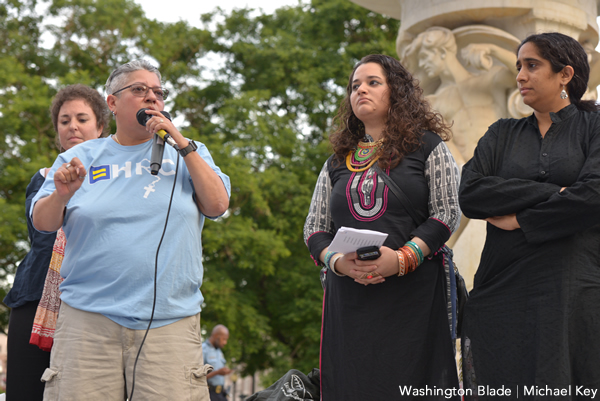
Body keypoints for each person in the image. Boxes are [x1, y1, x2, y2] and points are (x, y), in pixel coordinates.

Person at [30, 59, 231, 400]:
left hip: (170, 321)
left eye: (158, 92)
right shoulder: (81, 156)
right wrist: (63, 195)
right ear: (112, 102)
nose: (151, 98)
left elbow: (217, 205)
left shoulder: (189, 153)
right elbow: (42, 222)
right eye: (139, 90)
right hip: (88, 323)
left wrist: (181, 144)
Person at [303, 54, 462, 400]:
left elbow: (448, 211)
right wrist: (338, 262)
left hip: (414, 296)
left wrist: (402, 258)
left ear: (397, 92)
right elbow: (314, 229)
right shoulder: (335, 162)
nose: (361, 90)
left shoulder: (428, 147)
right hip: (350, 299)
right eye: (354, 86)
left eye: (373, 82)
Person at [459, 32, 600, 398]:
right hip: (502, 289)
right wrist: (556, 193)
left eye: (532, 65)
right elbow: (471, 194)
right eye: (519, 65)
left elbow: (594, 195)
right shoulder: (502, 133)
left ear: (565, 74)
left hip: (571, 289)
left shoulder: (594, 126)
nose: (520, 75)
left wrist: (520, 218)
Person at [3, 83, 110, 400]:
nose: (73, 126)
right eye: (65, 121)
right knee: (26, 392)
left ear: (101, 127)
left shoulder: (120, 178)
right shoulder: (44, 177)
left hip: (95, 302)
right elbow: (42, 234)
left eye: (82, 118)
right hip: (36, 298)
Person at [202, 325, 232, 400]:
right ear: (216, 335)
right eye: (224, 339)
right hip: (209, 394)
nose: (225, 342)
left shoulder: (219, 351)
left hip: (221, 394)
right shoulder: (203, 350)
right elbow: (198, 377)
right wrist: (217, 372)